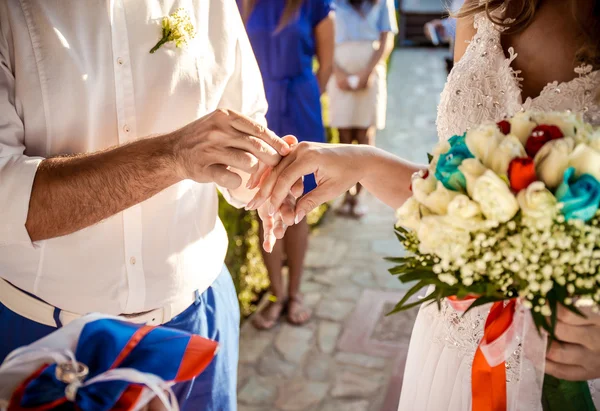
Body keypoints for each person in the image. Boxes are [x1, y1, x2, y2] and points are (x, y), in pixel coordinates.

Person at [247, 0, 600, 408]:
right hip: (452, 340)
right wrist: (363, 162)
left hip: (575, 353)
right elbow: (455, 199)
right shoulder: (480, 7)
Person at [0, 2, 296, 410]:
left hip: (199, 321)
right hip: (46, 340)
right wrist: (171, 156)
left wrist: (267, 178)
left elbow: (245, 117)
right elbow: (5, 200)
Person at [239, 0, 335, 328]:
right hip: (258, 113)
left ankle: (294, 293)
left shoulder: (314, 3)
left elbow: (327, 65)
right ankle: (276, 295)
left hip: (299, 106)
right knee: (262, 199)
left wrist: (304, 97)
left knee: (297, 202)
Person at [328, 0, 398, 218]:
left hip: (370, 68)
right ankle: (345, 194)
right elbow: (323, 36)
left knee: (365, 134)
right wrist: (336, 71)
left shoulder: (383, 2)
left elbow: (387, 38)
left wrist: (368, 71)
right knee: (343, 136)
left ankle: (359, 197)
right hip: (338, 67)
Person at [423, 0, 465, 73]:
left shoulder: (455, 8)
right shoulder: (456, 41)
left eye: (438, 30)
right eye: (438, 35)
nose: (441, 34)